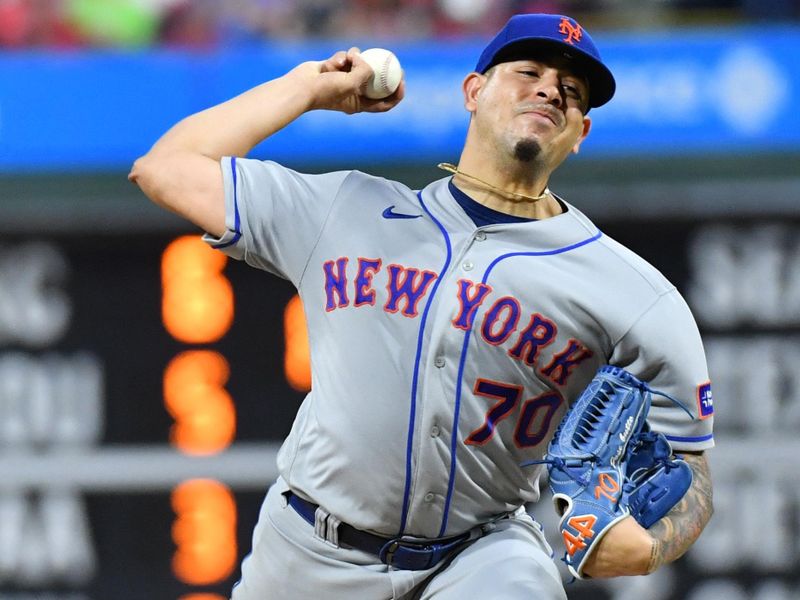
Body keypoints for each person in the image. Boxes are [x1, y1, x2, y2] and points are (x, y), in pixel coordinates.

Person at [130, 13, 714, 600]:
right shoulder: (345, 209)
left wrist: (653, 545)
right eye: (529, 72)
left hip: (482, 554)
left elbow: (691, 471)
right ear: (473, 91)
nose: (549, 90)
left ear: (580, 132)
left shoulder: (631, 292)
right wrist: (308, 87)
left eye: (570, 92)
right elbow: (165, 168)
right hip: (309, 547)